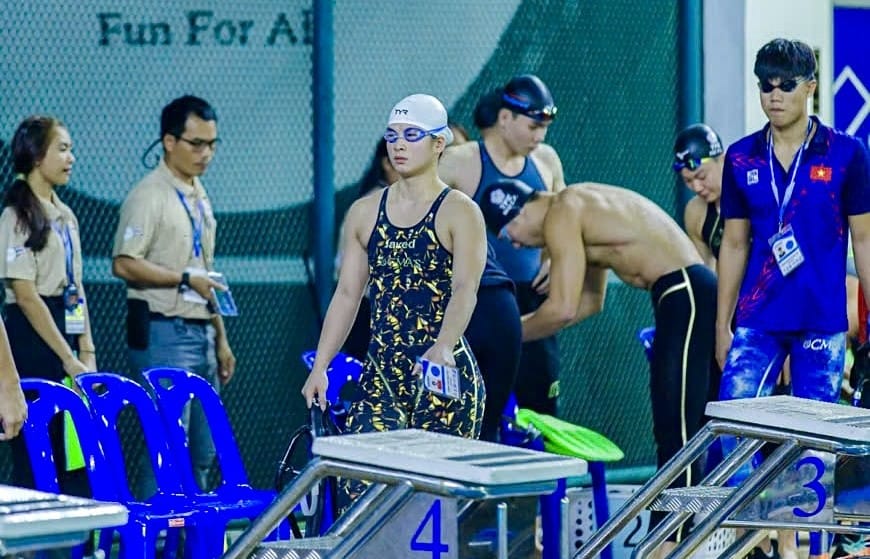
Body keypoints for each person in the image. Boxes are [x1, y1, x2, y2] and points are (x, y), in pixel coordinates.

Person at [478, 179, 718, 555]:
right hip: (682, 294)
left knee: (679, 433)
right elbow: (590, 302)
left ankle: (671, 546)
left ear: (519, 212)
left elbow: (562, 309)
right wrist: (516, 333)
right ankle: (678, 541)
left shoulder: (562, 211)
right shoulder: (579, 211)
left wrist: (504, 336)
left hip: (684, 291)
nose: (517, 245)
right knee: (678, 430)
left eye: (509, 235)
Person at [716, 39, 870, 559]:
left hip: (821, 320)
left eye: (786, 84)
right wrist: (722, 323)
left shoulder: (847, 153)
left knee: (813, 442)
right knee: (734, 424)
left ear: (811, 87)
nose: (774, 94)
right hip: (758, 318)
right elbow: (733, 243)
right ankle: (752, 539)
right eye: (766, 85)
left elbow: (865, 239)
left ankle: (800, 548)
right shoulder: (741, 156)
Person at [301, 93, 487, 460]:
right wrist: (321, 366)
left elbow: (465, 288)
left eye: (412, 135)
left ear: (438, 144)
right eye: (392, 135)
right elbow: (348, 294)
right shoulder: (364, 212)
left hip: (440, 370)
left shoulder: (460, 211)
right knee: (361, 480)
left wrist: (444, 345)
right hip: (383, 374)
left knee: (431, 487)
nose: (398, 144)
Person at [112, 95, 236, 496]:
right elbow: (123, 263)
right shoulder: (149, 195)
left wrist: (220, 338)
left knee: (203, 452)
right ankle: (154, 530)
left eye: (212, 144)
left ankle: (193, 531)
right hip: (164, 332)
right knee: (166, 449)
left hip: (202, 333)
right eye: (196, 144)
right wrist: (182, 279)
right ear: (169, 141)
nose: (206, 154)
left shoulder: (198, 192)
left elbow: (204, 269)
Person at [440, 74, 566, 416]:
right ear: (505, 118)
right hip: (480, 299)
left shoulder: (546, 160)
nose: (540, 137)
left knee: (540, 408)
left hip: (531, 297)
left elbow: (565, 220)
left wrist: (556, 260)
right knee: (476, 407)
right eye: (533, 127)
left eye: (545, 128)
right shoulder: (460, 161)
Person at [0, 116, 92, 499]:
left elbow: (76, 289)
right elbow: (25, 294)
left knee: (72, 450)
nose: (71, 158)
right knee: (37, 452)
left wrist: (85, 350)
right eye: (62, 149)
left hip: (65, 331)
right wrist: (66, 357)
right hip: (32, 339)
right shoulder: (14, 216)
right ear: (37, 156)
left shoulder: (66, 215)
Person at [674, 123, 726, 268]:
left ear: (723, 161)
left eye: (702, 176)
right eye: (688, 180)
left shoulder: (757, 196)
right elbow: (706, 273)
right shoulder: (696, 213)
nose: (696, 187)